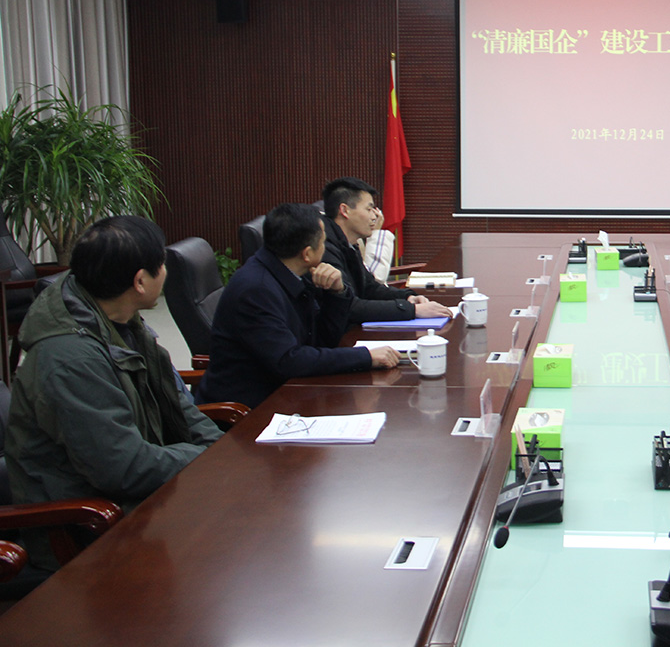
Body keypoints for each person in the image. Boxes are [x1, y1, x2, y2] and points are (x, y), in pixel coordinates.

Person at [5, 216, 222, 567]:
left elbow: (179, 406)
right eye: (161, 265)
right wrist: (206, 459)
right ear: (140, 281)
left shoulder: (121, 322)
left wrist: (220, 451)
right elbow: (122, 467)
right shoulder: (69, 358)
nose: (165, 272)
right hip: (86, 527)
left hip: (135, 501)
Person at [196, 203, 402, 408]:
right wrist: (365, 356)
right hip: (250, 410)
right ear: (307, 254)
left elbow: (322, 340)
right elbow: (289, 361)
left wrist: (337, 293)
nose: (326, 248)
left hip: (289, 393)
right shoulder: (256, 290)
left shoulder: (291, 271)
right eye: (323, 242)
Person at [320, 177, 451, 323]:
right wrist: (413, 310)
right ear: (345, 210)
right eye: (369, 209)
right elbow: (350, 307)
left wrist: (407, 297)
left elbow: (369, 288)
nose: (374, 217)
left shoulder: (348, 243)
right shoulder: (324, 247)